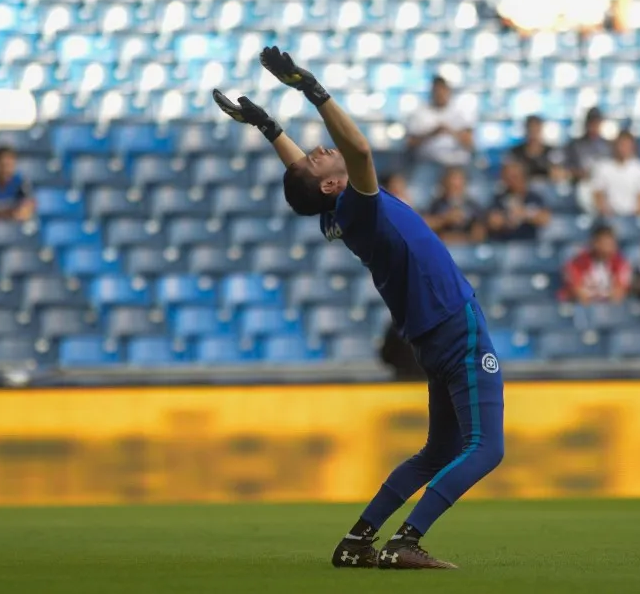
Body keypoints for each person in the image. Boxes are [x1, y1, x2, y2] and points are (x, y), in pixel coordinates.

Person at [214, 47, 504, 570]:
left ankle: (357, 541)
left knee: (438, 451)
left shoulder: (338, 212)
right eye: (316, 158)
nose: (318, 149)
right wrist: (313, 89)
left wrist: (268, 126)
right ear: (331, 183)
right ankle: (405, 541)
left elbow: (304, 176)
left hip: (430, 333)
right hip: (455, 326)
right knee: (487, 448)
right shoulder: (357, 204)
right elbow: (361, 150)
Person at [405, 75, 474, 167]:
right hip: (428, 163)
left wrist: (450, 132)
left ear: (448, 91)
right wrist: (432, 133)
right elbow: (410, 143)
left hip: (458, 164)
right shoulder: (420, 113)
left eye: (443, 90)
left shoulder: (461, 113)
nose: (440, 94)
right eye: (437, 91)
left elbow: (470, 143)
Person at [589, 130, 640, 217]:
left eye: (628, 145)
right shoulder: (602, 167)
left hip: (633, 217)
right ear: (615, 146)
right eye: (621, 144)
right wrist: (606, 214)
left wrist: (635, 218)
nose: (624, 148)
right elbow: (597, 194)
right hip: (609, 217)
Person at [561, 224, 631, 303]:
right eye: (606, 243)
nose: (610, 247)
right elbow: (579, 293)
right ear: (595, 243)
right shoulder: (577, 263)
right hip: (581, 309)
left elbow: (619, 293)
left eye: (612, 243)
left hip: (609, 309)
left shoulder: (620, 263)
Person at [487, 159, 551, 241]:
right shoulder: (499, 198)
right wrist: (508, 217)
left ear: (523, 177)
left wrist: (524, 213)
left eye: (515, 177)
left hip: (529, 245)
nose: (511, 181)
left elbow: (545, 219)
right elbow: (493, 222)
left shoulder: (534, 197)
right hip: (505, 245)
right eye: (507, 177)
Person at [423, 167, 486, 243]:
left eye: (458, 185)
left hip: (466, 249)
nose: (454, 187)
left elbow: (479, 234)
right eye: (451, 184)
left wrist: (457, 239)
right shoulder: (435, 204)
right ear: (444, 184)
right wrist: (445, 219)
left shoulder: (473, 206)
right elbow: (424, 225)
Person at [0, 146, 35, 221]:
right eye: (2, 165)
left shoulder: (22, 182)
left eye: (9, 165)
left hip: (14, 224)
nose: (5, 170)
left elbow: (27, 207)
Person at [509, 115, 566, 182]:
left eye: (536, 129)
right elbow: (511, 176)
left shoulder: (551, 152)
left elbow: (560, 174)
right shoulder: (516, 153)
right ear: (526, 130)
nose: (533, 133)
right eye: (531, 129)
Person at [565, 106, 612, 186]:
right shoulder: (575, 145)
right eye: (591, 122)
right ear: (586, 123)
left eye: (597, 122)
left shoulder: (608, 146)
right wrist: (580, 173)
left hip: (603, 187)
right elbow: (566, 170)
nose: (594, 125)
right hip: (581, 185)